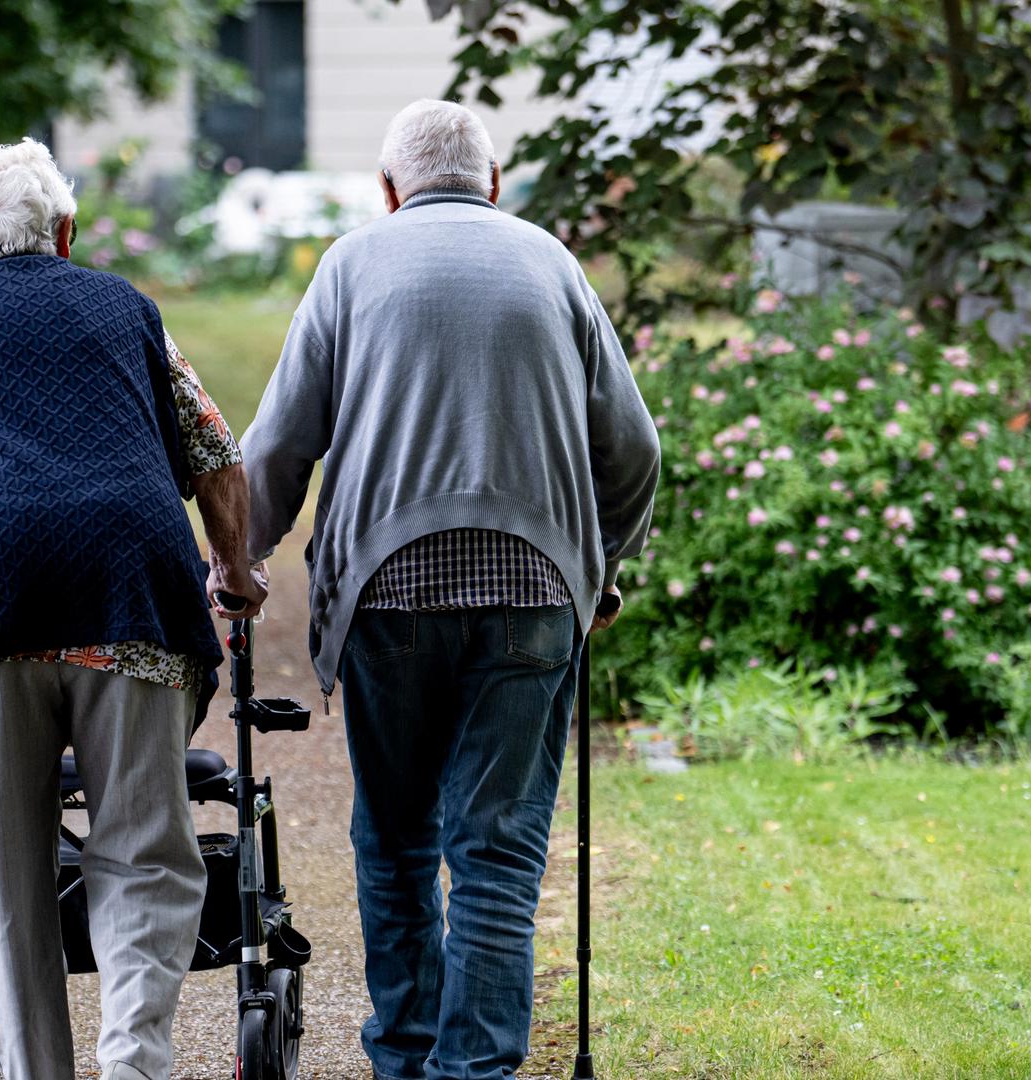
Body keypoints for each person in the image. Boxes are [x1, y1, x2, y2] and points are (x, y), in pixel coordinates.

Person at [240, 99, 661, 1080]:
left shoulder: (352, 264)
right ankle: (474, 1073)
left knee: (394, 840)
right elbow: (636, 448)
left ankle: (406, 1058)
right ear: (496, 183)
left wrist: (240, 565)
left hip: (387, 593)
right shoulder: (551, 263)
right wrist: (599, 564)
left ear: (389, 192)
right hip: (534, 586)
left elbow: (278, 447)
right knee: (498, 854)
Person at [0, 138, 266, 1080]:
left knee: (8, 881)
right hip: (128, 594)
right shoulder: (125, 307)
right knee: (142, 851)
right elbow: (215, 454)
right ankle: (132, 1064)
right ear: (67, 232)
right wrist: (234, 569)